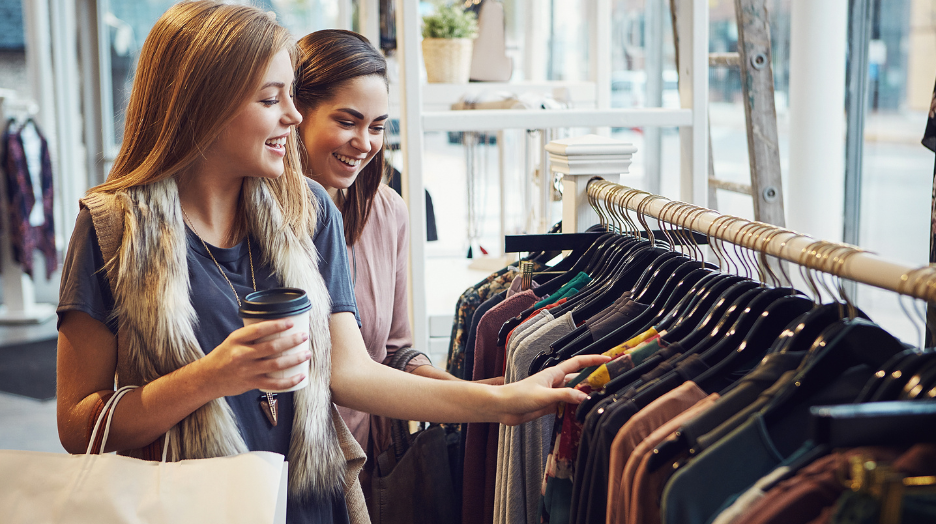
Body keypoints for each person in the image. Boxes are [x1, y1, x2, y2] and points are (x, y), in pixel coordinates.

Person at [55, 3, 605, 523]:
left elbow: (352, 373)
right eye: (271, 99)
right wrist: (211, 377)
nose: (294, 116)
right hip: (190, 506)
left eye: (291, 95)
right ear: (204, 104)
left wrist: (504, 401)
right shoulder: (113, 229)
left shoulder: (309, 211)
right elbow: (77, 425)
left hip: (314, 504)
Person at [293, 28, 491, 487]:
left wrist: (474, 393)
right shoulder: (255, 217)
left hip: (362, 464)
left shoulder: (388, 211)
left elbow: (396, 351)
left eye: (377, 126)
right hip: (281, 470)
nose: (365, 142)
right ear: (296, 113)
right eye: (347, 121)